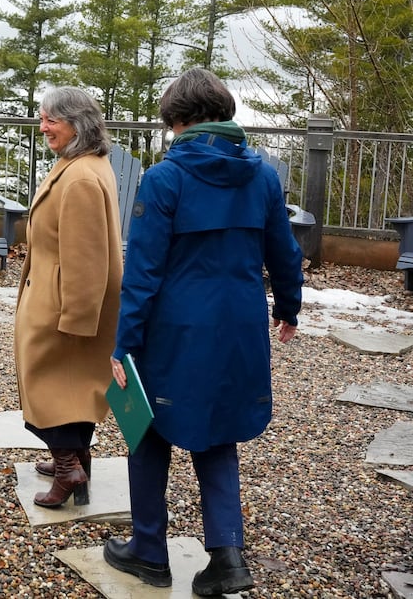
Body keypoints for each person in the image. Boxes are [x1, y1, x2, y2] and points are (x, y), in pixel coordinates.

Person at [102, 68, 303, 595]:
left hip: (176, 329)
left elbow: (143, 272)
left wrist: (123, 346)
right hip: (240, 324)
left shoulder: (165, 177)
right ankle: (227, 556)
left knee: (146, 429)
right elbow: (284, 250)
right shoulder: (262, 176)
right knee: (217, 430)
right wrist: (289, 305)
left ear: (181, 120)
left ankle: (149, 551)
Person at [14, 87, 123, 509]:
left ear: (77, 123)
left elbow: (86, 257)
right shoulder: (84, 164)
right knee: (73, 389)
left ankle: (67, 469)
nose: (43, 128)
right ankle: (77, 459)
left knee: (48, 388)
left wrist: (77, 320)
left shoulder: (79, 178)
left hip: (64, 303)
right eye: (42, 119)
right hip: (57, 295)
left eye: (50, 120)